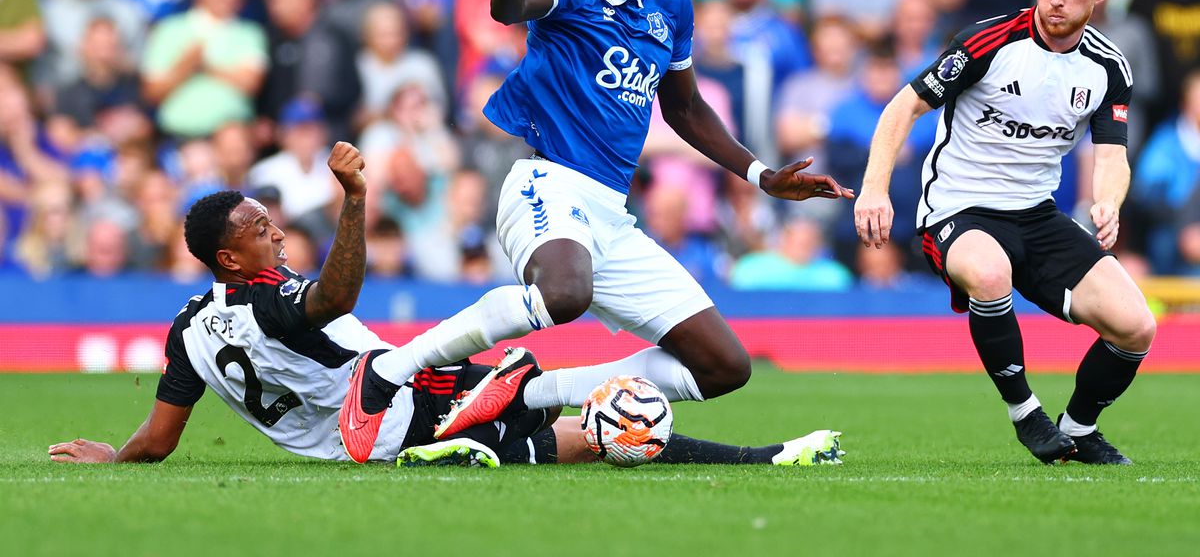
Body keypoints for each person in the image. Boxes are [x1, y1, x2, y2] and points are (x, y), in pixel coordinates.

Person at [338, 0, 854, 462]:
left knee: (723, 367)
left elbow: (684, 107)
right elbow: (509, 9)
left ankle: (530, 392)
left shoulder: (672, 0)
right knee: (563, 293)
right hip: (547, 182)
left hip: (611, 214)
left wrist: (762, 176)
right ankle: (391, 369)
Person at [47, 145, 844, 468]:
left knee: (558, 400)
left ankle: (765, 456)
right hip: (392, 413)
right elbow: (335, 297)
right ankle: (766, 460)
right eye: (260, 228)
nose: (276, 231)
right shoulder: (272, 303)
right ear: (230, 257)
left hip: (369, 427)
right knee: (607, 428)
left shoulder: (189, 327)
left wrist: (115, 460)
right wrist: (354, 200)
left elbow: (160, 436)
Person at [853, 0, 1156, 465]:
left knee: (1137, 326)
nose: (1056, 0)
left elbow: (1111, 153)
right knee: (991, 275)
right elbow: (903, 107)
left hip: (1037, 215)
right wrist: (874, 188)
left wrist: (1108, 201)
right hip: (957, 207)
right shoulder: (988, 42)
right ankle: (1027, 415)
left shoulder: (1109, 67)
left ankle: (1080, 428)